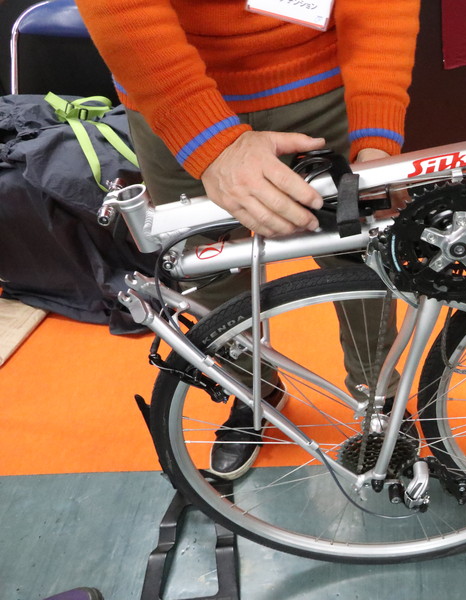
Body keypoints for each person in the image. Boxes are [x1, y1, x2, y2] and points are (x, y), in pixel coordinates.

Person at [76, 0, 420, 479]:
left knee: (361, 262)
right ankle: (251, 391)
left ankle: (378, 398)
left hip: (322, 83)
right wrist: (208, 140)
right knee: (208, 274)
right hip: (169, 87)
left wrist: (377, 131)